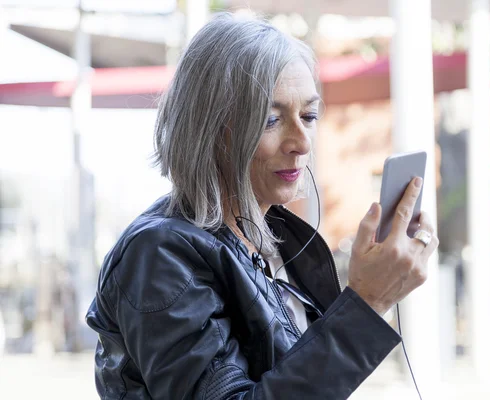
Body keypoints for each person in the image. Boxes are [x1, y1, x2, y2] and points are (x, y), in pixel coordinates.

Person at [86, 12, 438, 400]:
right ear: (210, 129)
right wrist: (369, 302)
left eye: (309, 115)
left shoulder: (274, 243)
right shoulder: (159, 255)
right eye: (271, 120)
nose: (301, 142)